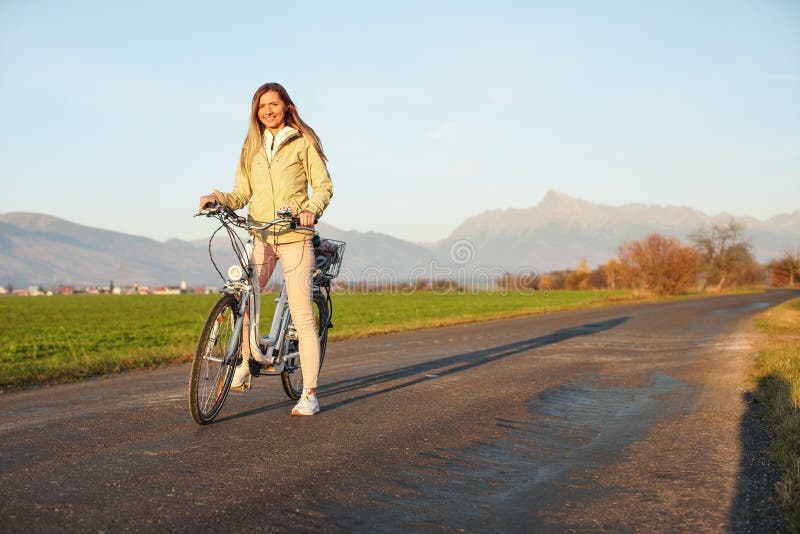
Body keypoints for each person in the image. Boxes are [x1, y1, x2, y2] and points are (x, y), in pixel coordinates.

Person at [197, 83, 333, 416]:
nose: (268, 111)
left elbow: (324, 185)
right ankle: (244, 361)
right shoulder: (252, 147)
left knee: (302, 316)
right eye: (261, 106)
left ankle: (309, 394)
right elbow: (241, 193)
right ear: (255, 112)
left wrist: (311, 209)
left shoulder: (302, 142)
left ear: (287, 106)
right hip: (261, 235)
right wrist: (218, 199)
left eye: (274, 104)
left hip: (295, 236)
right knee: (246, 297)